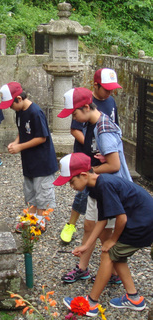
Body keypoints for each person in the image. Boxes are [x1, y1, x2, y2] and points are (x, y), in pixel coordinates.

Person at [53, 153, 152, 317]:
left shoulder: (104, 185)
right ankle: (134, 298)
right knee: (116, 255)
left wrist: (112, 240)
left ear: (84, 175)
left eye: (71, 181)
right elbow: (103, 220)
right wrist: (85, 246)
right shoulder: (94, 187)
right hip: (140, 221)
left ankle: (91, 303)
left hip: (142, 224)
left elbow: (121, 218)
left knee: (108, 254)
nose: (70, 186)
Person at [58, 87, 132, 284]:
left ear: (86, 107)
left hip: (109, 187)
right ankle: (83, 268)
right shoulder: (92, 123)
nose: (73, 117)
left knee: (106, 235)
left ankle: (116, 275)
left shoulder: (103, 128)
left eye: (74, 113)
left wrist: (89, 171)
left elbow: (114, 165)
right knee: (89, 225)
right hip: (96, 184)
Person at [60, 68, 122, 243]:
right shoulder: (84, 102)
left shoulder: (110, 105)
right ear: (96, 85)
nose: (110, 92)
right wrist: (90, 151)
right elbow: (76, 129)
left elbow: (115, 132)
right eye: (106, 88)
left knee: (97, 203)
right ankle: (71, 225)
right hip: (87, 159)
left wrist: (103, 150)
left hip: (102, 163)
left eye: (112, 89)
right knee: (82, 193)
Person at [0, 82, 58, 229]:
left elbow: (42, 137)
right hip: (29, 161)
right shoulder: (20, 112)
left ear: (19, 98)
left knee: (42, 193)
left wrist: (20, 147)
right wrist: (16, 142)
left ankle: (40, 223)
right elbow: (22, 131)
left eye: (11, 104)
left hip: (42, 162)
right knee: (30, 192)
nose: (10, 108)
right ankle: (31, 219)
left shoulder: (35, 112)